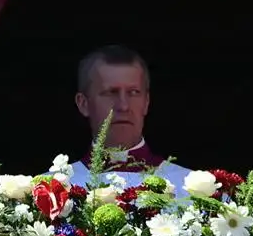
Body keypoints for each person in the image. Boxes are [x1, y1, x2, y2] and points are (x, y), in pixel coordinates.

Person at [63, 45, 192, 195]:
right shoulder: (53, 192)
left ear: (146, 102)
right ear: (83, 104)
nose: (123, 106)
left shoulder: (189, 188)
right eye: (110, 93)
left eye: (133, 92)